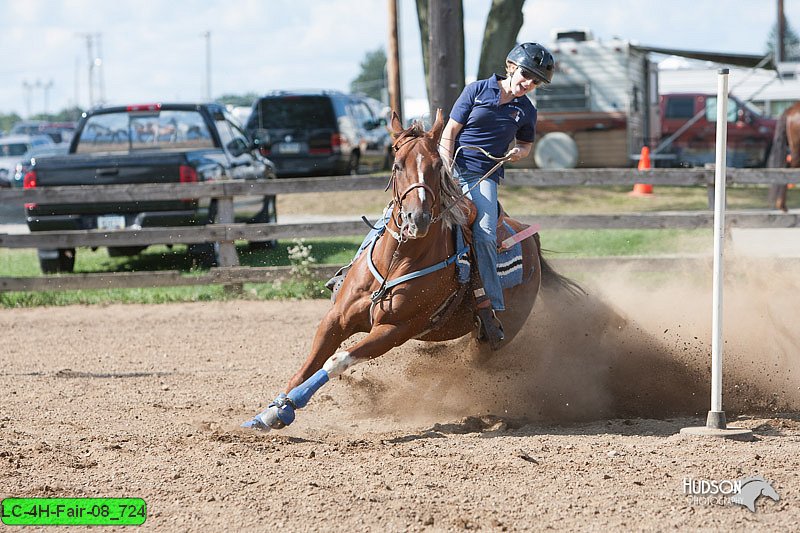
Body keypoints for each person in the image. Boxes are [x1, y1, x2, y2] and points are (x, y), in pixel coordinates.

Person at [438, 42, 555, 349]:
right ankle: (353, 273)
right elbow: (450, 131)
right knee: (405, 211)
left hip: (482, 176)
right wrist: (444, 168)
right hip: (452, 167)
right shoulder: (476, 91)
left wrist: (519, 152)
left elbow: (526, 144)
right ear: (511, 68)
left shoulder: (526, 110)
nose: (528, 83)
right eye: (526, 75)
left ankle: (489, 300)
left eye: (535, 81)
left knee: (486, 231)